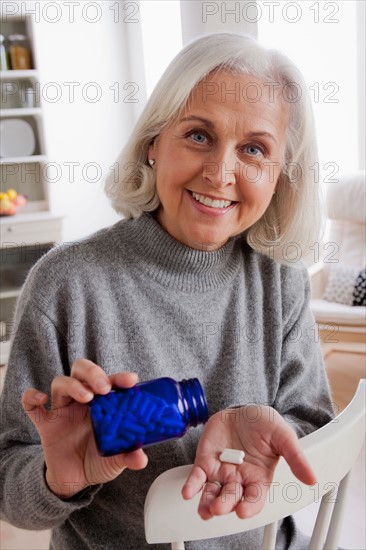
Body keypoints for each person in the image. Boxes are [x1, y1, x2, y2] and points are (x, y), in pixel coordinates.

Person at [0, 32, 334, 549]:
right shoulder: (65, 284)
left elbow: (316, 435)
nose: (221, 173)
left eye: (253, 149)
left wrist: (265, 431)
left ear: (279, 176)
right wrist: (58, 478)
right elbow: (9, 484)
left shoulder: (278, 279)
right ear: (153, 144)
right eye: (199, 135)